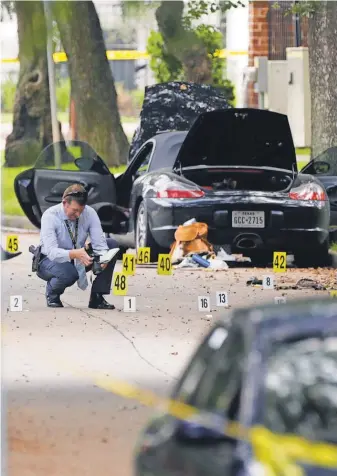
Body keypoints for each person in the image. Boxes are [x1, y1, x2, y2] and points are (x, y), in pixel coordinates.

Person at [37, 183, 119, 309]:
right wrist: (75, 253)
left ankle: (96, 298)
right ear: (64, 203)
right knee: (69, 274)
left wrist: (103, 257)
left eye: (81, 210)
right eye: (75, 210)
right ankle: (52, 293)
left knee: (111, 245)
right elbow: (52, 252)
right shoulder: (50, 216)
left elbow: (99, 243)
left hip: (79, 256)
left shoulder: (90, 213)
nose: (78, 215)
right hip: (48, 260)